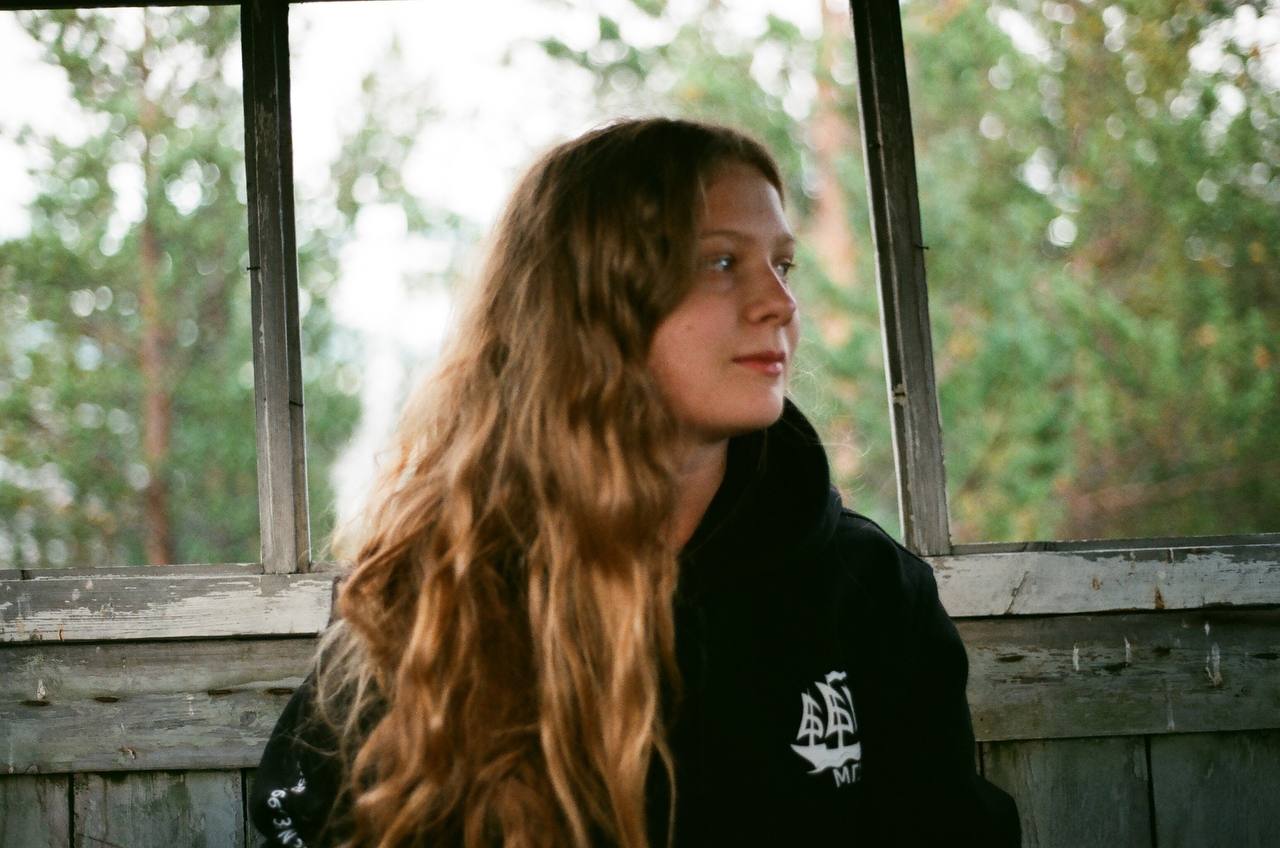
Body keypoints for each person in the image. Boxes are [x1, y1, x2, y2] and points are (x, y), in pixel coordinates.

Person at [250, 117, 1021, 848]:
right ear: (588, 303)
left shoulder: (873, 592)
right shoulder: (432, 590)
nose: (780, 304)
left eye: (781, 265)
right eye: (722, 263)